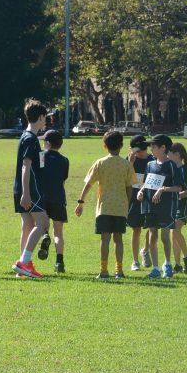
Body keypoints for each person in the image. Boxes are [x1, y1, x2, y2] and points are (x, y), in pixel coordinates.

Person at [75, 131, 135, 279]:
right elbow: (129, 187)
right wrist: (127, 203)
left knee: (105, 239)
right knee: (118, 239)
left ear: (104, 146)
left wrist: (81, 201)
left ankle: (103, 270)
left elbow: (89, 184)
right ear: (121, 146)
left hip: (104, 208)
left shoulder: (100, 163)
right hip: (120, 207)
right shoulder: (126, 164)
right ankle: (119, 271)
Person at [12, 100, 49, 279]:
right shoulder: (30, 139)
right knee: (43, 224)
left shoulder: (26, 136)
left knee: (28, 225)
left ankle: (23, 267)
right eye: (45, 118)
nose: (46, 122)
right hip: (30, 188)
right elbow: (26, 167)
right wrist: (26, 193)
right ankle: (24, 262)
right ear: (40, 117)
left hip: (22, 187)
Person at [137, 134, 181, 279]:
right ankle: (155, 268)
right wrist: (142, 191)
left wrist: (162, 189)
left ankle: (167, 264)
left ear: (163, 148)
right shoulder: (150, 164)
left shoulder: (172, 165)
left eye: (154, 147)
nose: (151, 149)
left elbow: (178, 187)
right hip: (150, 205)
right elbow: (146, 182)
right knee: (152, 235)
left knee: (164, 237)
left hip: (166, 207)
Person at [36, 129, 69, 274]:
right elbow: (63, 178)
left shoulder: (41, 156)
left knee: (42, 225)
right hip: (59, 197)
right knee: (59, 232)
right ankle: (59, 262)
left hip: (42, 196)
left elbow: (38, 174)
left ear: (48, 143)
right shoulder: (64, 160)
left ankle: (45, 236)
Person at [168, 142, 187, 272]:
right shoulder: (172, 169)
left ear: (177, 155)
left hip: (185, 204)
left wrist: (178, 195)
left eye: (169, 153)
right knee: (174, 235)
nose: (167, 156)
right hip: (175, 205)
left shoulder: (184, 170)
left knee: (175, 230)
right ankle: (177, 265)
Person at [127, 135, 152, 272]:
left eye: (142, 150)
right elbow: (124, 178)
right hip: (134, 200)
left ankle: (146, 250)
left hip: (150, 198)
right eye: (137, 150)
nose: (140, 153)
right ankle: (135, 261)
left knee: (150, 227)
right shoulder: (129, 160)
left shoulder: (152, 160)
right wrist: (130, 164)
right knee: (136, 229)